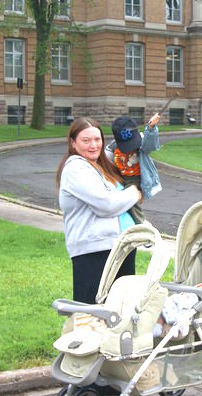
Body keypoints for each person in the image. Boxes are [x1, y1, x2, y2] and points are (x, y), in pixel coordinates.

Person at [56, 117, 142, 304]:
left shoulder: (101, 165)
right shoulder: (75, 169)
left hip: (119, 248)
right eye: (86, 141)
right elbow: (107, 205)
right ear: (73, 143)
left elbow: (124, 151)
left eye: (97, 139)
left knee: (121, 311)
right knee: (91, 314)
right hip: (93, 253)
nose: (93, 145)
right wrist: (134, 193)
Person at [106, 113, 162, 223]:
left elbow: (151, 145)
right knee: (116, 200)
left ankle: (140, 223)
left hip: (135, 178)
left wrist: (151, 129)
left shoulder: (142, 142)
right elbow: (106, 157)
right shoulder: (114, 146)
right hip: (120, 177)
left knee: (130, 199)